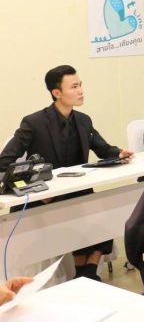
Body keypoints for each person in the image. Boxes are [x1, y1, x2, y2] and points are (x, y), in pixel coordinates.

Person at [0, 65, 134, 280]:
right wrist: (36, 185)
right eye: (74, 87)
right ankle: (86, 273)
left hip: (76, 189)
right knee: (82, 211)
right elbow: (5, 161)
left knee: (102, 210)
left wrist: (119, 153)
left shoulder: (83, 120)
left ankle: (86, 270)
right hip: (44, 197)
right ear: (57, 93)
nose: (81, 91)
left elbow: (102, 148)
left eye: (80, 85)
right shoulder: (34, 123)